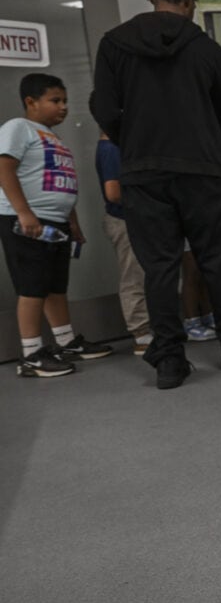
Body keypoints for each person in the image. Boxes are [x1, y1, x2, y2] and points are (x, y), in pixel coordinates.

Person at [90, 0, 221, 389]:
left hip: (144, 171)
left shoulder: (114, 44)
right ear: (189, 0)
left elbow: (104, 108)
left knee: (159, 267)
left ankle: (169, 362)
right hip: (202, 168)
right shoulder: (209, 51)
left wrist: (137, 143)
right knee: (217, 261)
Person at [0, 73, 112, 377]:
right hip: (26, 220)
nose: (63, 107)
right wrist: (24, 213)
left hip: (55, 221)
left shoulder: (52, 136)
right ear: (30, 102)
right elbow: (4, 167)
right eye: (55, 100)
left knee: (54, 285)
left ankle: (65, 342)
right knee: (32, 286)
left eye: (64, 101)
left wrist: (72, 221)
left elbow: (61, 184)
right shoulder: (18, 128)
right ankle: (31, 355)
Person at [95, 131, 152, 356]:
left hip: (132, 219)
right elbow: (113, 192)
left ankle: (147, 328)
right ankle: (141, 332)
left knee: (142, 274)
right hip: (123, 219)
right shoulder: (111, 149)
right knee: (134, 276)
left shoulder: (119, 146)